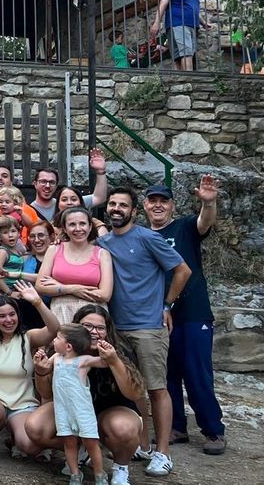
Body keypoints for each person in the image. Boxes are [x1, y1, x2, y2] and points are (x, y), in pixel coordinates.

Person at [97, 187, 192, 477]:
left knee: (157, 388)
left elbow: (182, 270)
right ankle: (143, 445)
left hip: (149, 326)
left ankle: (163, 452)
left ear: (133, 211)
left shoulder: (149, 237)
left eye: (122, 205)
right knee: (133, 389)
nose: (116, 208)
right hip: (117, 327)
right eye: (112, 204)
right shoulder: (103, 243)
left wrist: (167, 305)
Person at [143, 178, 226, 455]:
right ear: (144, 206)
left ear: (171, 206)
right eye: (152, 200)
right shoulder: (142, 236)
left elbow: (205, 222)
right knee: (166, 375)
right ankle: (176, 427)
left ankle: (213, 430)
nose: (158, 205)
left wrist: (209, 201)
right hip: (155, 315)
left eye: (163, 201)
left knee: (197, 373)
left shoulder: (185, 227)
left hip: (192, 313)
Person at [25, 305, 147, 485]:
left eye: (100, 328)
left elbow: (134, 393)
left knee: (123, 429)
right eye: (87, 326)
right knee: (36, 427)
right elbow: (46, 393)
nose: (94, 332)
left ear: (108, 330)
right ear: (76, 328)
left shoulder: (118, 349)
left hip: (112, 410)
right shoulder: (62, 350)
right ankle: (82, 450)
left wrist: (113, 361)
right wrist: (41, 372)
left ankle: (120, 468)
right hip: (72, 408)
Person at [0, 283, 59, 465]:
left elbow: (54, 330)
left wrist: (38, 302)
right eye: (2, 316)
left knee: (30, 446)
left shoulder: (28, 337)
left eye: (12, 314)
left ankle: (15, 440)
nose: (8, 320)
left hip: (22, 404)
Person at [49, 323, 109, 485]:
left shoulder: (83, 361)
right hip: (63, 410)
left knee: (90, 442)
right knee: (68, 441)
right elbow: (44, 367)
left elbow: (105, 362)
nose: (53, 341)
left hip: (82, 411)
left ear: (68, 346)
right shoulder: (56, 359)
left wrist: (104, 348)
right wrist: (39, 360)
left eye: (57, 338)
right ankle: (75, 474)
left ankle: (99, 474)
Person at [37, 207, 114, 324]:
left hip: (93, 316)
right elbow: (40, 286)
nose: (78, 229)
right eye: (72, 224)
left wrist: (60, 287)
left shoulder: (102, 254)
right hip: (61, 312)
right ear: (64, 228)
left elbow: (105, 295)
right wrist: (71, 289)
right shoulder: (54, 250)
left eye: (82, 224)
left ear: (90, 227)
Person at [150, 0, 210, 72]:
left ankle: (180, 79)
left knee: (180, 54)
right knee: (186, 51)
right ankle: (189, 78)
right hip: (178, 24)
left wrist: (203, 23)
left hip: (191, 25)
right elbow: (163, 4)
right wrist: (157, 23)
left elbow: (194, 9)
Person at [30, 149, 109, 222]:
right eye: (43, 181)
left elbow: (99, 197)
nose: (47, 185)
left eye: (52, 182)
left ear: (56, 186)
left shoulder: (68, 202)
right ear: (35, 184)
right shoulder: (28, 211)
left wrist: (100, 171)